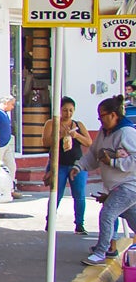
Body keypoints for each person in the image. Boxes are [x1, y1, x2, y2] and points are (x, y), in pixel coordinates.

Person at [77, 96, 136, 265]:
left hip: (129, 186)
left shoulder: (127, 133)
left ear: (113, 115)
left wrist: (114, 162)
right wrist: (78, 167)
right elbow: (93, 155)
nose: (100, 119)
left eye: (102, 116)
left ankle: (101, 252)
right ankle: (105, 249)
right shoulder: (104, 133)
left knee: (108, 214)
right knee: (131, 217)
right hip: (116, 186)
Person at [49, 96, 92, 235]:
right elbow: (45, 142)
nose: (68, 113)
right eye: (65, 110)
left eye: (71, 110)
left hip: (77, 165)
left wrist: (76, 136)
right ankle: (49, 222)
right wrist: (61, 135)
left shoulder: (78, 124)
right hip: (59, 164)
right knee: (56, 194)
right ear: (59, 110)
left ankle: (80, 224)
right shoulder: (52, 123)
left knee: (79, 195)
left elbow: (89, 142)